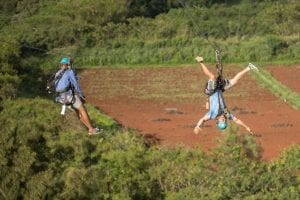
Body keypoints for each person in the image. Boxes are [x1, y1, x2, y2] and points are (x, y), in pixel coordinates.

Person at [193, 56, 258, 135]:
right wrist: (247, 128)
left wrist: (198, 126)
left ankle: (200, 61)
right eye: (224, 121)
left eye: (221, 121)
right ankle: (249, 67)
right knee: (234, 81)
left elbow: (203, 119)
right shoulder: (227, 114)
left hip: (211, 91)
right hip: (219, 89)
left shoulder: (212, 115)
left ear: (218, 121)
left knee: (212, 77)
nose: (223, 119)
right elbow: (237, 121)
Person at [54, 57, 100, 135]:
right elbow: (76, 85)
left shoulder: (58, 73)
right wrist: (81, 95)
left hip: (61, 98)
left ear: (61, 65)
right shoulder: (70, 71)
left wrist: (76, 77)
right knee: (83, 110)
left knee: (77, 111)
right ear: (68, 64)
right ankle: (91, 130)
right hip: (68, 96)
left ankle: (89, 128)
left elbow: (63, 82)